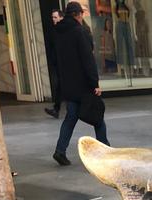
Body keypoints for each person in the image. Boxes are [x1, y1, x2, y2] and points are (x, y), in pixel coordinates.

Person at [52, 3, 108, 166]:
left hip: (68, 83)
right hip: (83, 83)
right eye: (82, 14)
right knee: (97, 115)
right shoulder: (79, 31)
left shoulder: (58, 32)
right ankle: (105, 149)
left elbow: (55, 58)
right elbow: (87, 59)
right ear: (78, 15)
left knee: (71, 117)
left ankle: (60, 150)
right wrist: (94, 82)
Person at [45, 9, 64, 119]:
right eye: (52, 17)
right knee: (59, 86)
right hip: (57, 63)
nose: (53, 19)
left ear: (61, 17)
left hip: (65, 63)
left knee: (61, 86)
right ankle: (56, 109)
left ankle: (57, 109)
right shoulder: (53, 31)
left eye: (55, 17)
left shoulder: (65, 30)